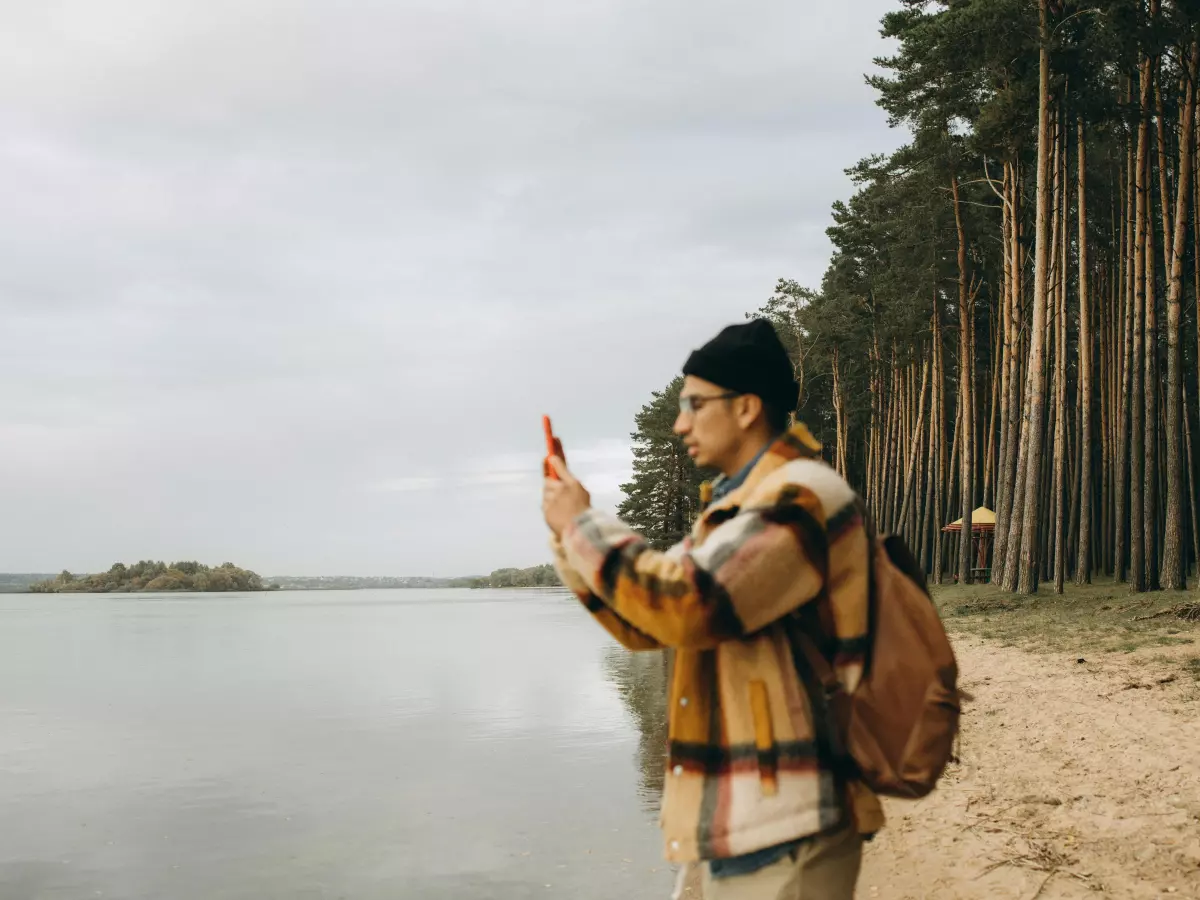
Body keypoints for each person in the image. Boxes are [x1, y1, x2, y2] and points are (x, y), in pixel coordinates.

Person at [542, 319, 882, 900]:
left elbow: (684, 605)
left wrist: (581, 524)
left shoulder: (800, 497)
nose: (679, 424)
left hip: (791, 819)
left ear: (747, 407)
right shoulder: (737, 510)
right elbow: (644, 624)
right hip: (747, 816)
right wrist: (567, 541)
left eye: (694, 405)